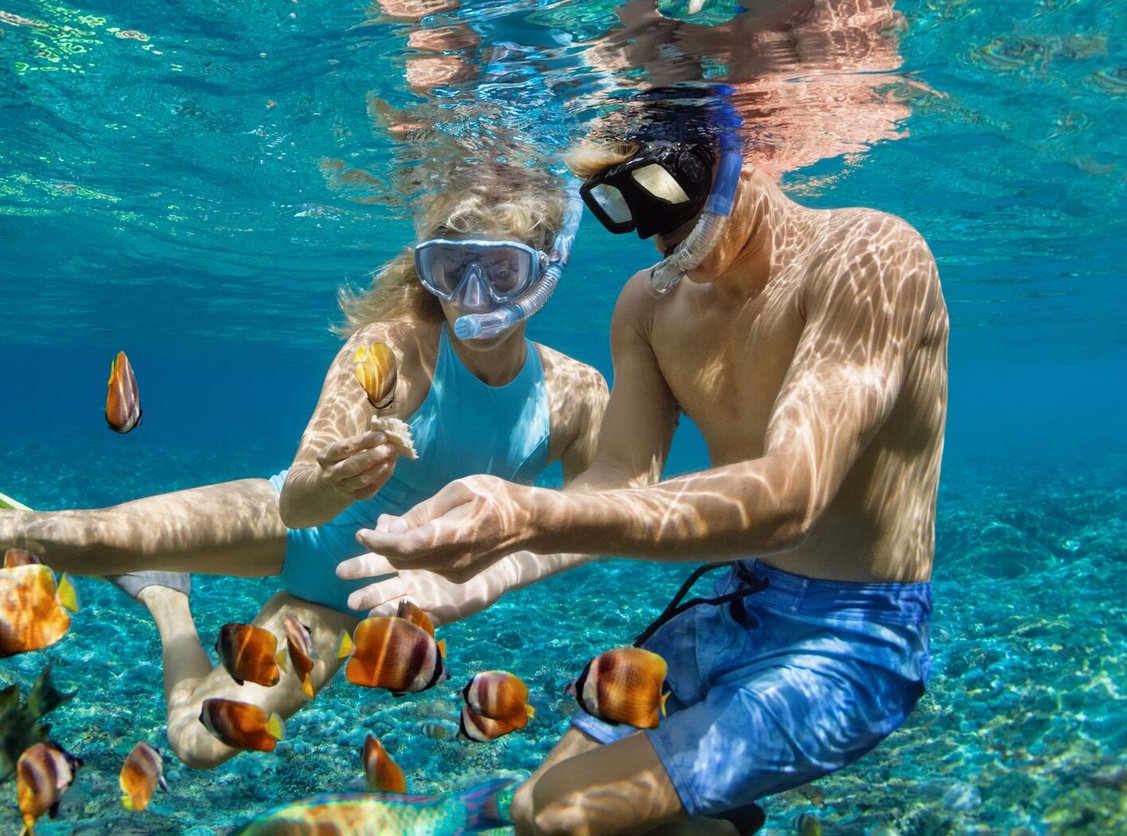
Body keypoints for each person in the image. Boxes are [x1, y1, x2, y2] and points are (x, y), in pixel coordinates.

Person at [0, 160, 611, 770]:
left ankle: (165, 599)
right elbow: (300, 493)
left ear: (545, 275)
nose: (473, 298)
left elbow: (604, 516)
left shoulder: (575, 394)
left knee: (200, 746)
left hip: (343, 605)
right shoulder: (393, 350)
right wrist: (337, 475)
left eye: (500, 270)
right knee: (68, 534)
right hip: (281, 522)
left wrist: (497, 565)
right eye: (450, 270)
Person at [342, 94, 948, 834]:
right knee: (550, 801)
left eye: (666, 191)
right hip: (733, 606)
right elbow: (619, 480)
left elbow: (795, 491)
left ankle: (636, 809)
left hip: (852, 641)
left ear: (740, 155)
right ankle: (716, 821)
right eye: (623, 207)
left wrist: (528, 515)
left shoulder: (871, 255)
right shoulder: (648, 306)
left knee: (559, 816)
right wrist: (489, 573)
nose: (660, 236)